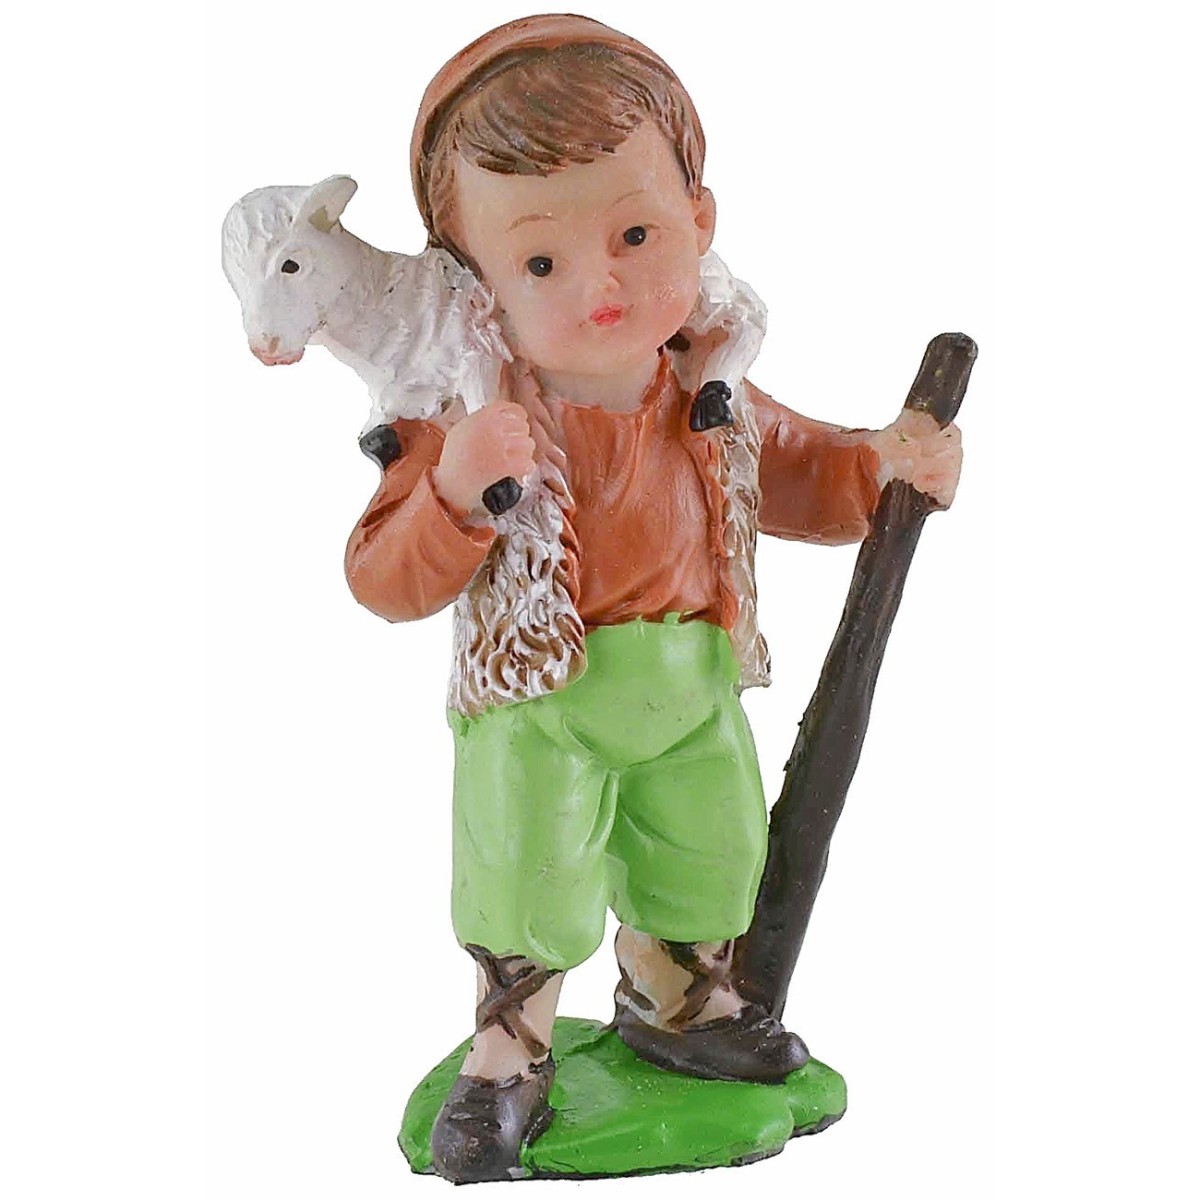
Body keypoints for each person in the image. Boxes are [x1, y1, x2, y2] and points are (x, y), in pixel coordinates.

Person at [344, 14, 961, 1183]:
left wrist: (884, 462)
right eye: (541, 264)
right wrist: (456, 494)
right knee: (527, 873)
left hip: (692, 683)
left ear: (700, 219)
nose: (603, 284)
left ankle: (681, 1006)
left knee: (709, 850)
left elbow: (805, 472)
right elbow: (382, 573)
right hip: (542, 702)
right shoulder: (464, 418)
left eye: (635, 234)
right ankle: (511, 1049)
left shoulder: (711, 392)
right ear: (473, 282)